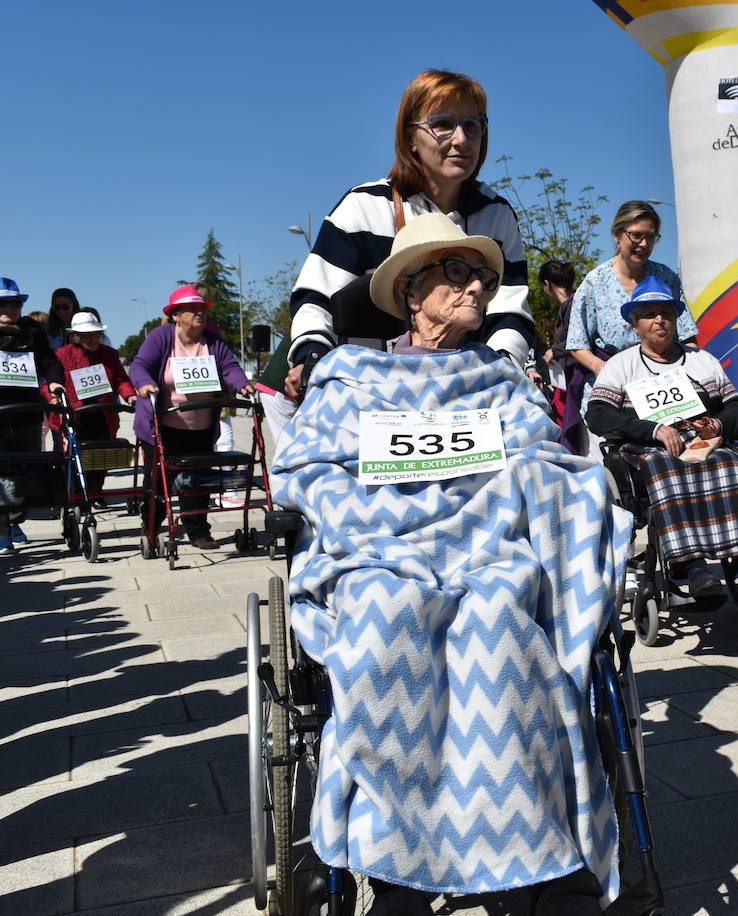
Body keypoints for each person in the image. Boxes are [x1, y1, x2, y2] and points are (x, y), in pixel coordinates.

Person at [272, 212, 626, 915]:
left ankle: (528, 842)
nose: (477, 288)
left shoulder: (497, 377)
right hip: (378, 551)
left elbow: (543, 457)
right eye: (459, 273)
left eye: (484, 277)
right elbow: (308, 466)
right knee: (382, 616)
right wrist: (375, 526)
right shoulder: (351, 372)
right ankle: (401, 869)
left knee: (504, 617)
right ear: (411, 289)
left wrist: (566, 484)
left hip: (485, 547)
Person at [285, 69, 536, 399]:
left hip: (468, 394)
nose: (461, 139)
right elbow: (316, 300)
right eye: (443, 124)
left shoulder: (496, 215)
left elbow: (509, 310)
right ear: (408, 139)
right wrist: (311, 360)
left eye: (473, 126)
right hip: (370, 393)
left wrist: (502, 370)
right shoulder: (363, 207)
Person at [585, 276, 738, 603]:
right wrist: (655, 430)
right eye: (649, 314)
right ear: (634, 325)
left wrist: (717, 423)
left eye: (666, 313)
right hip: (650, 447)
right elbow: (598, 414)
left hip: (705, 443)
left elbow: (737, 409)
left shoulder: (703, 361)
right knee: (663, 465)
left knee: (732, 460)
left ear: (676, 319)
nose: (659, 319)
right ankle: (693, 568)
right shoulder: (621, 366)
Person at [566, 202, 697, 456]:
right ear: (617, 234)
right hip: (612, 391)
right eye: (636, 235)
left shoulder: (666, 278)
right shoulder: (596, 282)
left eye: (651, 237)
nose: (644, 244)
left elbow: (688, 335)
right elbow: (577, 344)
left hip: (664, 389)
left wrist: (691, 375)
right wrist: (609, 371)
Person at [130, 285, 251, 551]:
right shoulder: (161, 337)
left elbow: (229, 367)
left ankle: (198, 531)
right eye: (192, 308)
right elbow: (140, 365)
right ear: (175, 315)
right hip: (163, 427)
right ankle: (150, 528)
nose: (199, 312)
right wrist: (145, 384)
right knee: (157, 483)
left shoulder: (213, 341)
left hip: (201, 426)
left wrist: (243, 385)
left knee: (198, 482)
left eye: (202, 308)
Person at [0, 277, 64, 553]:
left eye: (16, 303)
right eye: (5, 303)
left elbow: (48, 359)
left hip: (26, 409)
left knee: (23, 470)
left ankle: (14, 521)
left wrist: (53, 380)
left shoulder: (32, 330)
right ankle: (1, 530)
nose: (12, 308)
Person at [54, 309, 136, 498]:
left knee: (101, 456)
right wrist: (55, 395)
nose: (91, 339)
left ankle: (96, 491)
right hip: (76, 414)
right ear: (75, 336)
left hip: (103, 413)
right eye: (86, 335)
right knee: (76, 456)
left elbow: (121, 380)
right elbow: (49, 383)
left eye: (95, 334)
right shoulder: (62, 355)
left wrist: (130, 396)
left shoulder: (109, 354)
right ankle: (78, 494)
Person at [540, 259, 586, 453]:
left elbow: (576, 338)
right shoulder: (578, 300)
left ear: (547, 284)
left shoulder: (572, 304)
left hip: (576, 376)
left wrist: (554, 351)